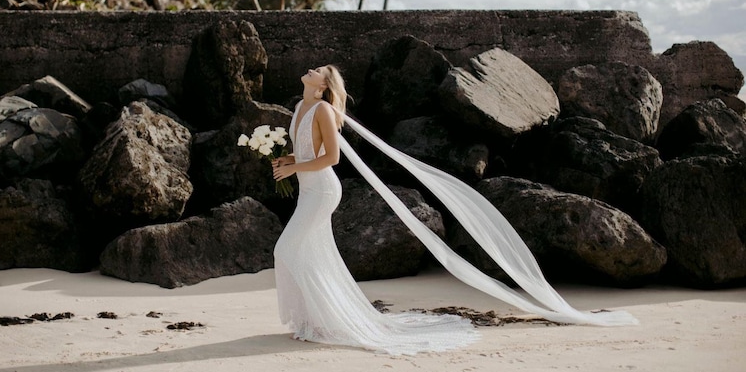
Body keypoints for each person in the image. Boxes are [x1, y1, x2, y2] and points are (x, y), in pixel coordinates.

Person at [272, 65, 636, 355]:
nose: (312, 69)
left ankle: (323, 319)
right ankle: (314, 322)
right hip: (308, 191)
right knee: (310, 254)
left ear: (323, 86)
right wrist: (287, 159)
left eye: (319, 70)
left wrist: (294, 167)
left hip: (321, 192)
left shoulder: (321, 109)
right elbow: (310, 153)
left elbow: (332, 158)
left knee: (287, 249)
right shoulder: (300, 108)